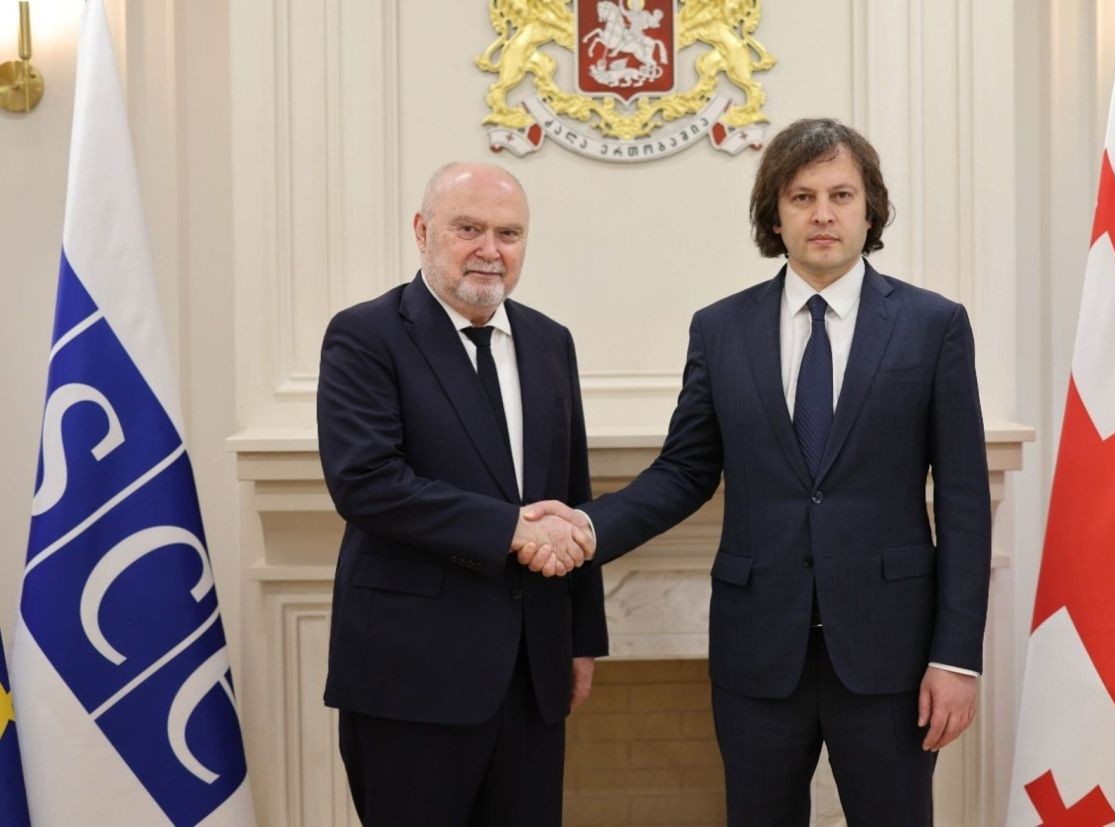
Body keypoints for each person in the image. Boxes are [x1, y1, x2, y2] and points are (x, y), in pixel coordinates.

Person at [525, 118, 990, 825]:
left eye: (842, 194)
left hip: (890, 652)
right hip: (757, 650)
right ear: (776, 214)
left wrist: (957, 657)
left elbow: (962, 500)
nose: (824, 213)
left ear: (872, 209)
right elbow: (684, 472)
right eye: (802, 196)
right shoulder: (721, 328)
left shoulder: (933, 326)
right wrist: (587, 525)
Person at [317, 161, 607, 826]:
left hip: (533, 675)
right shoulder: (366, 335)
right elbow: (367, 482)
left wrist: (580, 636)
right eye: (468, 228)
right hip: (409, 677)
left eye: (509, 232)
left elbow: (572, 491)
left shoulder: (548, 342)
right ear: (422, 231)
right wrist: (512, 528)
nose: (490, 249)